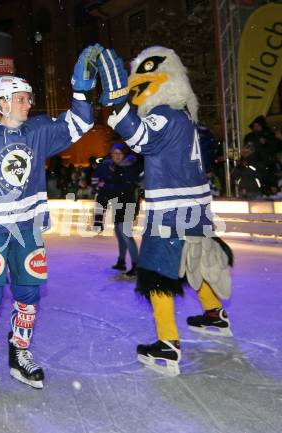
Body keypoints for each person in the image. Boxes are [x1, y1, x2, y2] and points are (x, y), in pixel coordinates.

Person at [0, 44, 101, 398]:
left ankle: (19, 352)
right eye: (21, 98)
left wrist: (80, 92)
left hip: (28, 230)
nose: (29, 103)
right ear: (2, 103)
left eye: (29, 98)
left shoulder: (38, 131)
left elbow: (80, 123)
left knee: (28, 294)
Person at [95, 46, 234, 375]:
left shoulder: (166, 114)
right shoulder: (185, 117)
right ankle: (214, 314)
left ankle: (167, 343)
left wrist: (118, 105)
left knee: (156, 271)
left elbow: (141, 137)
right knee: (192, 261)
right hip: (195, 204)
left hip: (171, 210)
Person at [93, 143, 142, 277]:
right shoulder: (115, 167)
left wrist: (106, 185)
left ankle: (137, 265)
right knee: (119, 233)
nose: (117, 156)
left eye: (119, 153)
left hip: (128, 204)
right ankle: (121, 261)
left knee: (125, 234)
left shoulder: (129, 168)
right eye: (114, 153)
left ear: (124, 154)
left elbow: (124, 187)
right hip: (118, 204)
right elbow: (114, 187)